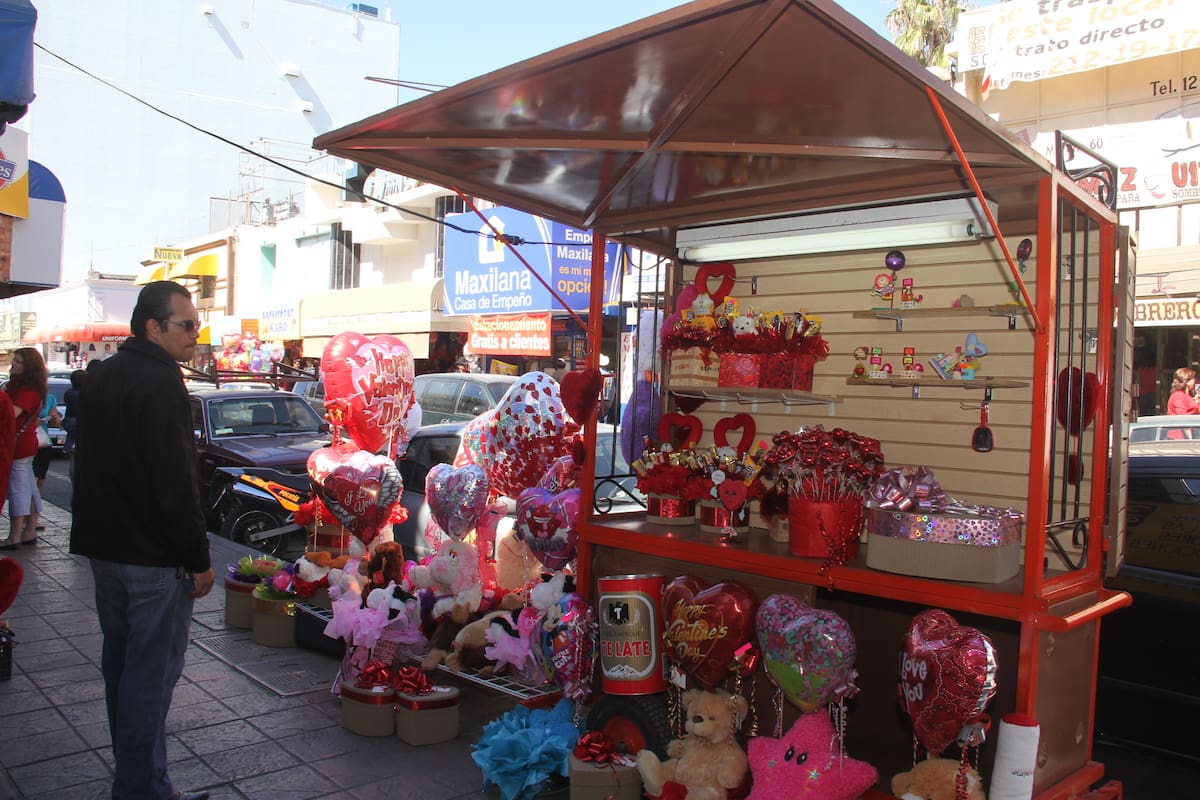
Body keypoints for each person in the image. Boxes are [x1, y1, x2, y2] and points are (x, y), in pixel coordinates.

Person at [70, 281, 213, 800]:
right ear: (153, 328)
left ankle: (146, 781)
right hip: (152, 560)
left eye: (196, 325)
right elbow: (175, 481)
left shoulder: (105, 375)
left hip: (107, 551)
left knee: (124, 671)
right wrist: (198, 558)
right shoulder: (161, 382)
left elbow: (88, 465)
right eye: (186, 325)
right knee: (148, 682)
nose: (195, 334)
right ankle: (139, 788)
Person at [1, 348, 48, 550]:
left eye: (19, 361)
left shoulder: (27, 390)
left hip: (18, 444)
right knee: (27, 486)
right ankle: (29, 530)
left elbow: (10, 414)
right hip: (23, 442)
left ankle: (15, 536)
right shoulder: (21, 386)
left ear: (28, 366)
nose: (14, 364)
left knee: (18, 489)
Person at [32, 383, 60, 496]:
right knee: (32, 479)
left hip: (44, 442)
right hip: (28, 441)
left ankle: (36, 505)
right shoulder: (25, 397)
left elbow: (54, 417)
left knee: (40, 480)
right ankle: (27, 505)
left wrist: (55, 418)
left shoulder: (50, 398)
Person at [63, 369, 87, 486]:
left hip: (70, 421)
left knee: (73, 462)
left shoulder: (69, 393)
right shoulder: (86, 394)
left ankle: (67, 447)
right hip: (81, 424)